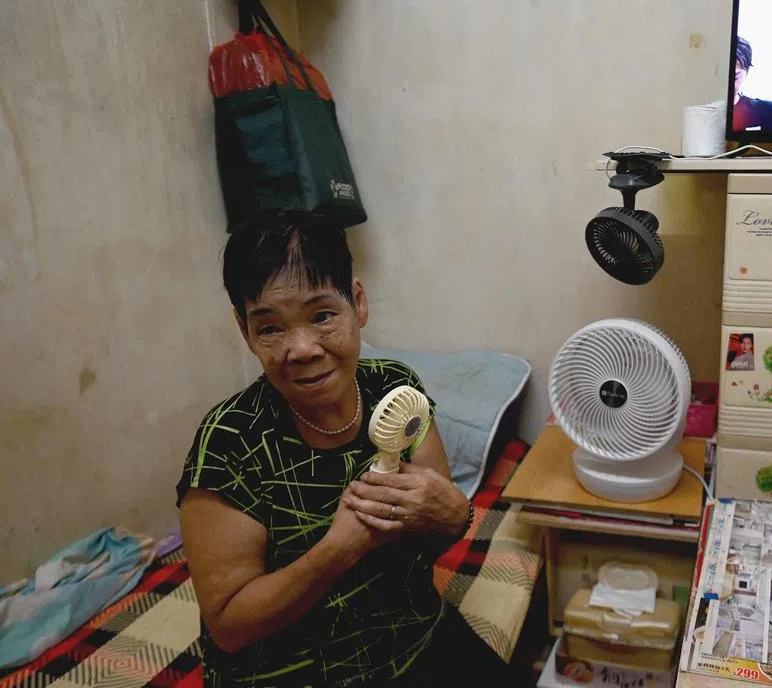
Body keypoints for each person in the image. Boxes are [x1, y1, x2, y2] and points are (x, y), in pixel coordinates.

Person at [176, 210, 531, 687]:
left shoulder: (396, 390)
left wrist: (453, 514)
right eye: (270, 328)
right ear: (245, 331)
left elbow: (443, 526)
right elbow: (230, 627)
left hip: (414, 636)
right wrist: (340, 548)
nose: (301, 348)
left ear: (357, 304)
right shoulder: (228, 443)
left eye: (322, 316)